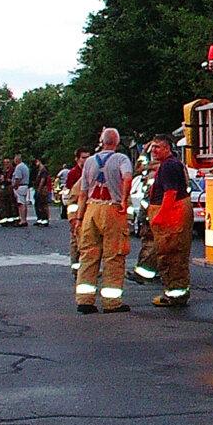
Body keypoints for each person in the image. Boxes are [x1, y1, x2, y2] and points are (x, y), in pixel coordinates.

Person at [74, 128, 133, 314]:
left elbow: (82, 193)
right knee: (114, 255)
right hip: (112, 209)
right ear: (116, 142)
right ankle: (111, 302)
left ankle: (84, 300)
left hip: (91, 209)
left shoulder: (90, 162)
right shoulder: (122, 159)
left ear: (102, 141)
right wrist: (123, 199)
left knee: (88, 255)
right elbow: (127, 178)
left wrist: (79, 218)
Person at [146, 134, 193, 307]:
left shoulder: (169, 166)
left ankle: (175, 296)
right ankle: (176, 293)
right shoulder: (170, 164)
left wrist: (160, 216)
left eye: (158, 147)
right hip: (174, 215)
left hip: (172, 217)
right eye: (153, 147)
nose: (154, 150)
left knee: (171, 256)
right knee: (173, 255)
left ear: (167, 148)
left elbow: (170, 194)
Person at [127, 149, 160, 285]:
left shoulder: (155, 173)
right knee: (150, 244)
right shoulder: (159, 170)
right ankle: (148, 271)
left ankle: (144, 272)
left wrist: (142, 216)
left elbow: (148, 198)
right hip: (153, 213)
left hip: (153, 214)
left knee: (150, 244)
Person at [63, 147, 90, 276]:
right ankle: (76, 267)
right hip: (77, 211)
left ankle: (87, 267)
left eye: (88, 157)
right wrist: (72, 217)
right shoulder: (73, 173)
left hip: (89, 212)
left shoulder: (91, 171)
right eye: (83, 157)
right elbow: (70, 197)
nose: (86, 160)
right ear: (77, 159)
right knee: (76, 241)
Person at [11, 154, 31, 227]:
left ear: (17, 160)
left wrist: (15, 186)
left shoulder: (19, 167)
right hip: (25, 186)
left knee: (20, 204)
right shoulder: (25, 166)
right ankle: (24, 219)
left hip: (20, 186)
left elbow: (18, 178)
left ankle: (22, 220)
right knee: (23, 203)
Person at [33, 157, 51, 226]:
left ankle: (45, 219)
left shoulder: (43, 170)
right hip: (39, 188)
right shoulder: (39, 170)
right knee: (38, 204)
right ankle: (40, 219)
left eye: (36, 162)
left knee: (43, 204)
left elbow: (42, 180)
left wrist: (39, 189)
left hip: (42, 189)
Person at [0, 158, 16, 224]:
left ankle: (13, 218)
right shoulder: (2, 170)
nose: (6, 164)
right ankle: (6, 218)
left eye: (8, 162)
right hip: (4, 187)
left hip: (10, 187)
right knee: (5, 203)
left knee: (12, 203)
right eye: (5, 162)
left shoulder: (13, 170)